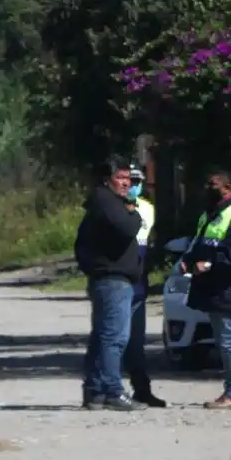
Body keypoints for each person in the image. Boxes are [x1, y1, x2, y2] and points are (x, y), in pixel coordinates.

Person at [182, 170, 231, 408]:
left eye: (213, 184)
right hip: (213, 288)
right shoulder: (211, 214)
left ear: (227, 188)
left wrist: (210, 264)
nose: (208, 188)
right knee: (224, 341)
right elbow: (202, 243)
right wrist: (189, 259)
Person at [78, 155, 146, 411]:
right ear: (107, 180)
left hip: (111, 278)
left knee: (103, 337)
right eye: (120, 178)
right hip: (112, 279)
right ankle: (112, 390)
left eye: (129, 179)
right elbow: (128, 228)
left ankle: (95, 391)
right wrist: (133, 211)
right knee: (114, 338)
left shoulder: (103, 202)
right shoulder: (107, 202)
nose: (126, 184)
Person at [122, 165, 167, 407]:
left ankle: (141, 388)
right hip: (118, 281)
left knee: (136, 341)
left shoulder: (147, 208)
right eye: (129, 181)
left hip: (138, 280)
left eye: (137, 181)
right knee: (114, 339)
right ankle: (106, 389)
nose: (133, 185)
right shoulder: (110, 206)